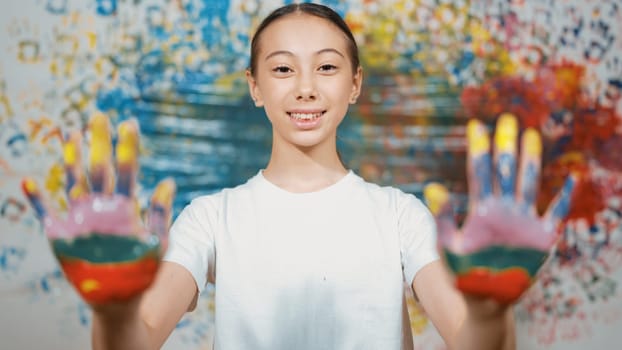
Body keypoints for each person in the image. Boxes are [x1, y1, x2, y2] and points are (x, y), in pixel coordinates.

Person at [21, 3, 575, 350]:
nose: (305, 87)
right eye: (283, 68)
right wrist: (112, 308)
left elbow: (468, 340)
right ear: (255, 86)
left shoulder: (401, 216)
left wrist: (490, 307)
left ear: (354, 85)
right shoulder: (211, 218)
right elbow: (136, 342)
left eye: (327, 67)